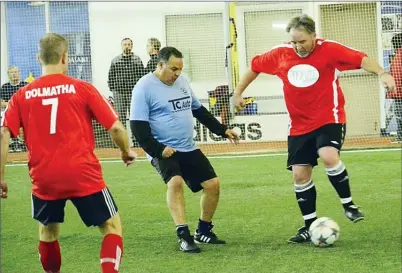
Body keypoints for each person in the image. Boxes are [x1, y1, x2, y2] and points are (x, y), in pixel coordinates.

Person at [234, 14, 396, 244]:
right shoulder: (280, 53)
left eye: (303, 41)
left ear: (313, 35)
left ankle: (348, 205)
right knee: (300, 175)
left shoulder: (329, 49)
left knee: (328, 155)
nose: (298, 47)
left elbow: (361, 59)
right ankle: (309, 226)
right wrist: (238, 92)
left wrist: (383, 73)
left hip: (329, 118)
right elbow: (254, 66)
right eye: (294, 42)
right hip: (298, 126)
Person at [0, 33, 137, 273]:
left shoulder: (21, 96)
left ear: (38, 59)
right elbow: (115, 127)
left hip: (44, 177)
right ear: (66, 58)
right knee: (111, 227)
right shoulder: (82, 89)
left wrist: (1, 176)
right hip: (82, 173)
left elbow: (3, 135)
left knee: (48, 232)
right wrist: (126, 151)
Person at [130, 46, 239, 253]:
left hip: (187, 147)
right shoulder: (143, 87)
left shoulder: (182, 82)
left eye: (180, 69)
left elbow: (198, 110)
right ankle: (183, 235)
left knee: (213, 184)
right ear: (160, 65)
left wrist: (223, 130)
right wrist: (158, 149)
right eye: (173, 69)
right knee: (176, 182)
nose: (177, 74)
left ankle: (204, 231)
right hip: (163, 148)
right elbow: (137, 126)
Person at [108, 37, 144, 146]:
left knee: (135, 117)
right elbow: (111, 77)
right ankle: (120, 143)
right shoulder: (115, 60)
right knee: (120, 118)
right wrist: (113, 89)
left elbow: (141, 75)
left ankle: (137, 142)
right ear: (121, 46)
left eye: (129, 44)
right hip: (119, 93)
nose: (127, 46)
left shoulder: (137, 60)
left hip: (133, 93)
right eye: (125, 44)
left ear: (132, 46)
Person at [1, 67, 28, 152]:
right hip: (10, 111)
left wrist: (12, 104)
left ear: (19, 73)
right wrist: (11, 105)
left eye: (16, 72)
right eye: (11, 72)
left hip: (23, 111)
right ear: (8, 75)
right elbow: (1, 103)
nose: (14, 74)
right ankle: (11, 142)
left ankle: (21, 142)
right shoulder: (5, 87)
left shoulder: (26, 85)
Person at [387, 33, 402, 143]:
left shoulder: (398, 56)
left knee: (399, 115)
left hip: (398, 93)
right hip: (398, 93)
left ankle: (400, 136)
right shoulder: (397, 56)